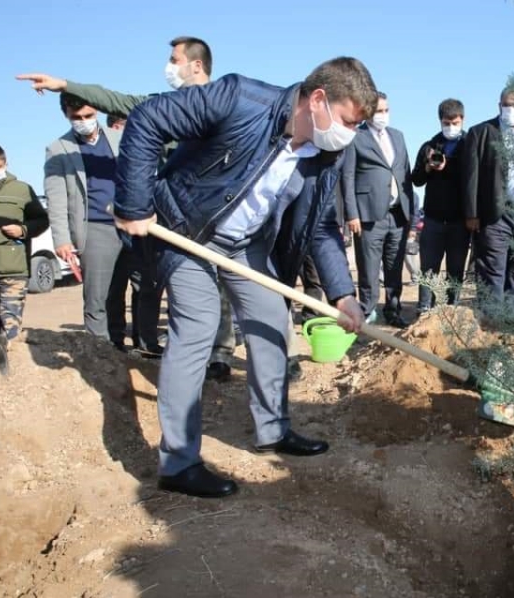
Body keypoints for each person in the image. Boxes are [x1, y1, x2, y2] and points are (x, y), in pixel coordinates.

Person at [113, 57, 374, 499]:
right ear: (317, 100)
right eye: (348, 121)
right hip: (187, 230)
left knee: (272, 319)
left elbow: (321, 227)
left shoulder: (325, 154)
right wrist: (134, 203)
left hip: (245, 243)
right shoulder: (240, 99)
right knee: (198, 327)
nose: (350, 133)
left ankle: (272, 429)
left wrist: (342, 293)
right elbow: (147, 119)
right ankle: (178, 463)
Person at [19, 37, 236, 375]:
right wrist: (65, 84)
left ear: (196, 65)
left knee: (214, 282)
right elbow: (117, 101)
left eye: (174, 59)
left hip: (216, 209)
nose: (168, 66)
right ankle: (176, 356)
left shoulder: (227, 101)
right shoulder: (162, 106)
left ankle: (217, 354)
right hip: (168, 215)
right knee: (177, 286)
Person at [44, 93, 130, 348]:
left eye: (89, 115)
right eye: (77, 117)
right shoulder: (58, 149)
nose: (84, 121)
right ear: (66, 115)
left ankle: (119, 345)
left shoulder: (120, 139)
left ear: (98, 112)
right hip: (94, 227)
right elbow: (56, 198)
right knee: (97, 296)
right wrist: (62, 240)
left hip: (129, 225)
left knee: (120, 291)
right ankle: (99, 351)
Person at [341, 92, 415, 328]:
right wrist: (352, 213)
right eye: (378, 111)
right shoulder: (356, 137)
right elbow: (347, 177)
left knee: (394, 267)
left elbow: (405, 173)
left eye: (386, 110)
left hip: (398, 214)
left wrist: (411, 211)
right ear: (367, 112)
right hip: (368, 215)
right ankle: (367, 311)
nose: (383, 115)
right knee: (369, 268)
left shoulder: (398, 136)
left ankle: (393, 310)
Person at [462, 86, 514, 299]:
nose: (510, 109)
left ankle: (513, 317)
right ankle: (492, 317)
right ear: (499, 105)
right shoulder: (481, 132)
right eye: (506, 105)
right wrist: (472, 213)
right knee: (492, 273)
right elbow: (471, 176)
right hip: (495, 214)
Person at [0, 142, 49, 348]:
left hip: (13, 267)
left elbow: (42, 219)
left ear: (6, 164)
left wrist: (22, 230)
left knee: (11, 322)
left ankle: (12, 359)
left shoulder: (21, 190)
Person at [411, 98, 470, 315]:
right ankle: (424, 308)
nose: (451, 126)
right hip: (433, 218)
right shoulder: (429, 146)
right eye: (447, 123)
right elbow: (416, 179)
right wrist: (428, 166)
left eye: (455, 123)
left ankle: (451, 309)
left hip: (460, 220)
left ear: (462, 120)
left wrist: (448, 166)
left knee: (456, 269)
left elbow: (472, 177)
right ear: (440, 121)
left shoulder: (469, 145)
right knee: (428, 268)